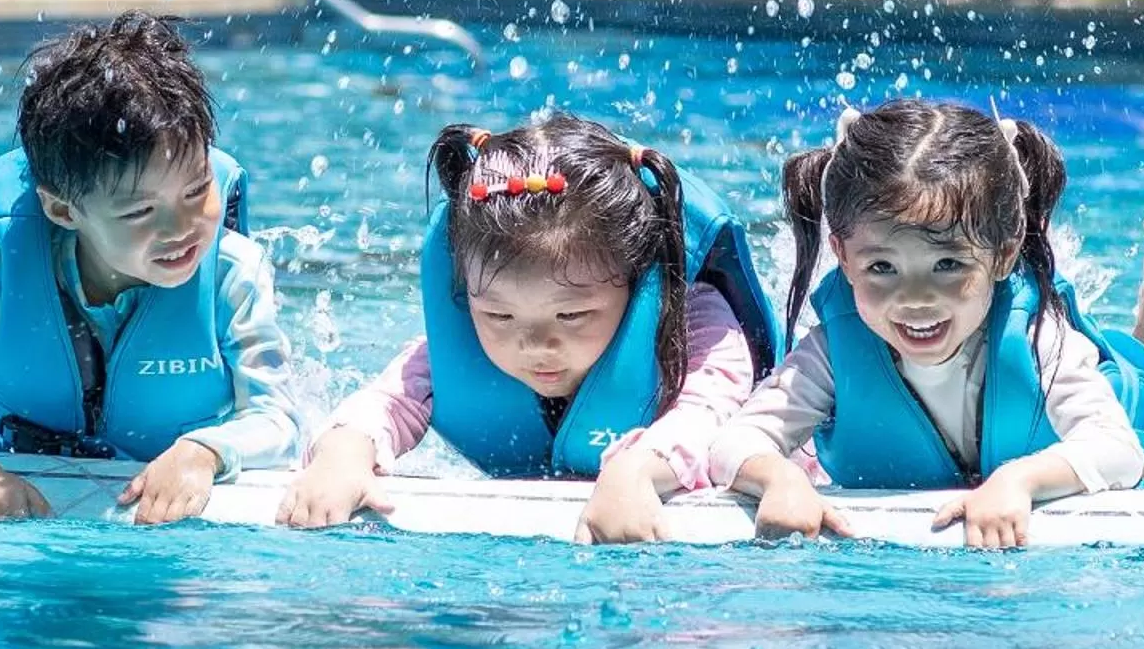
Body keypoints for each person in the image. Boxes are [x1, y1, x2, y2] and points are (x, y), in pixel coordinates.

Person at [708, 99, 1144, 550]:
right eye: (882, 268)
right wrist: (779, 478)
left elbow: (1117, 449)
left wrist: (1020, 480)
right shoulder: (831, 350)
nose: (915, 298)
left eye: (948, 265)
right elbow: (732, 442)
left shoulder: (1038, 336)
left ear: (1003, 253)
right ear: (842, 256)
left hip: (1093, 409)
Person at [0, 13, 299, 523]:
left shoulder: (232, 275)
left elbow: (281, 422)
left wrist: (204, 452)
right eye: (141, 211)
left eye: (196, 190)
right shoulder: (12, 273)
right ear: (62, 210)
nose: (182, 226)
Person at [278, 112, 781, 544]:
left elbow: (706, 416)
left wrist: (635, 470)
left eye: (571, 315)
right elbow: (387, 401)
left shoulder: (699, 327)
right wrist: (344, 454)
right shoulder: (460, 343)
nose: (535, 344)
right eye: (499, 315)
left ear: (634, 280)